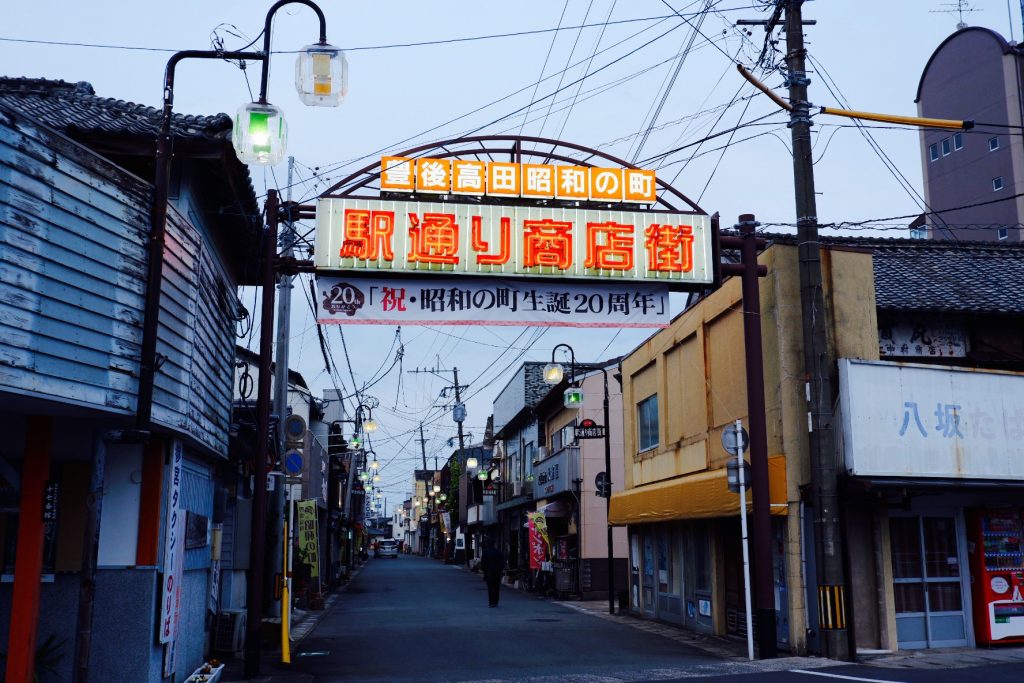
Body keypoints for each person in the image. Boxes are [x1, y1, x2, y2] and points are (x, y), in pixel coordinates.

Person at [480, 539, 505, 608]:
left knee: (490, 587)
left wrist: (484, 571)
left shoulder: (485, 552)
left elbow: (483, 563)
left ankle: (491, 602)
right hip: (497, 572)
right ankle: (496, 601)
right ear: (494, 544)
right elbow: (502, 563)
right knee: (496, 587)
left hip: (488, 572)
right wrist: (501, 570)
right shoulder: (499, 552)